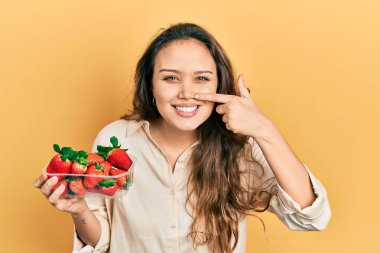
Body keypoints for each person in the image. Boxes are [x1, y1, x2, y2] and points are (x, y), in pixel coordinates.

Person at [34, 23, 331, 253]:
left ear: (220, 83)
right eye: (170, 78)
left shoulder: (244, 145)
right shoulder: (115, 139)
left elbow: (312, 217)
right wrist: (79, 209)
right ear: (150, 84)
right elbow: (104, 239)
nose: (187, 92)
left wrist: (265, 129)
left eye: (201, 78)